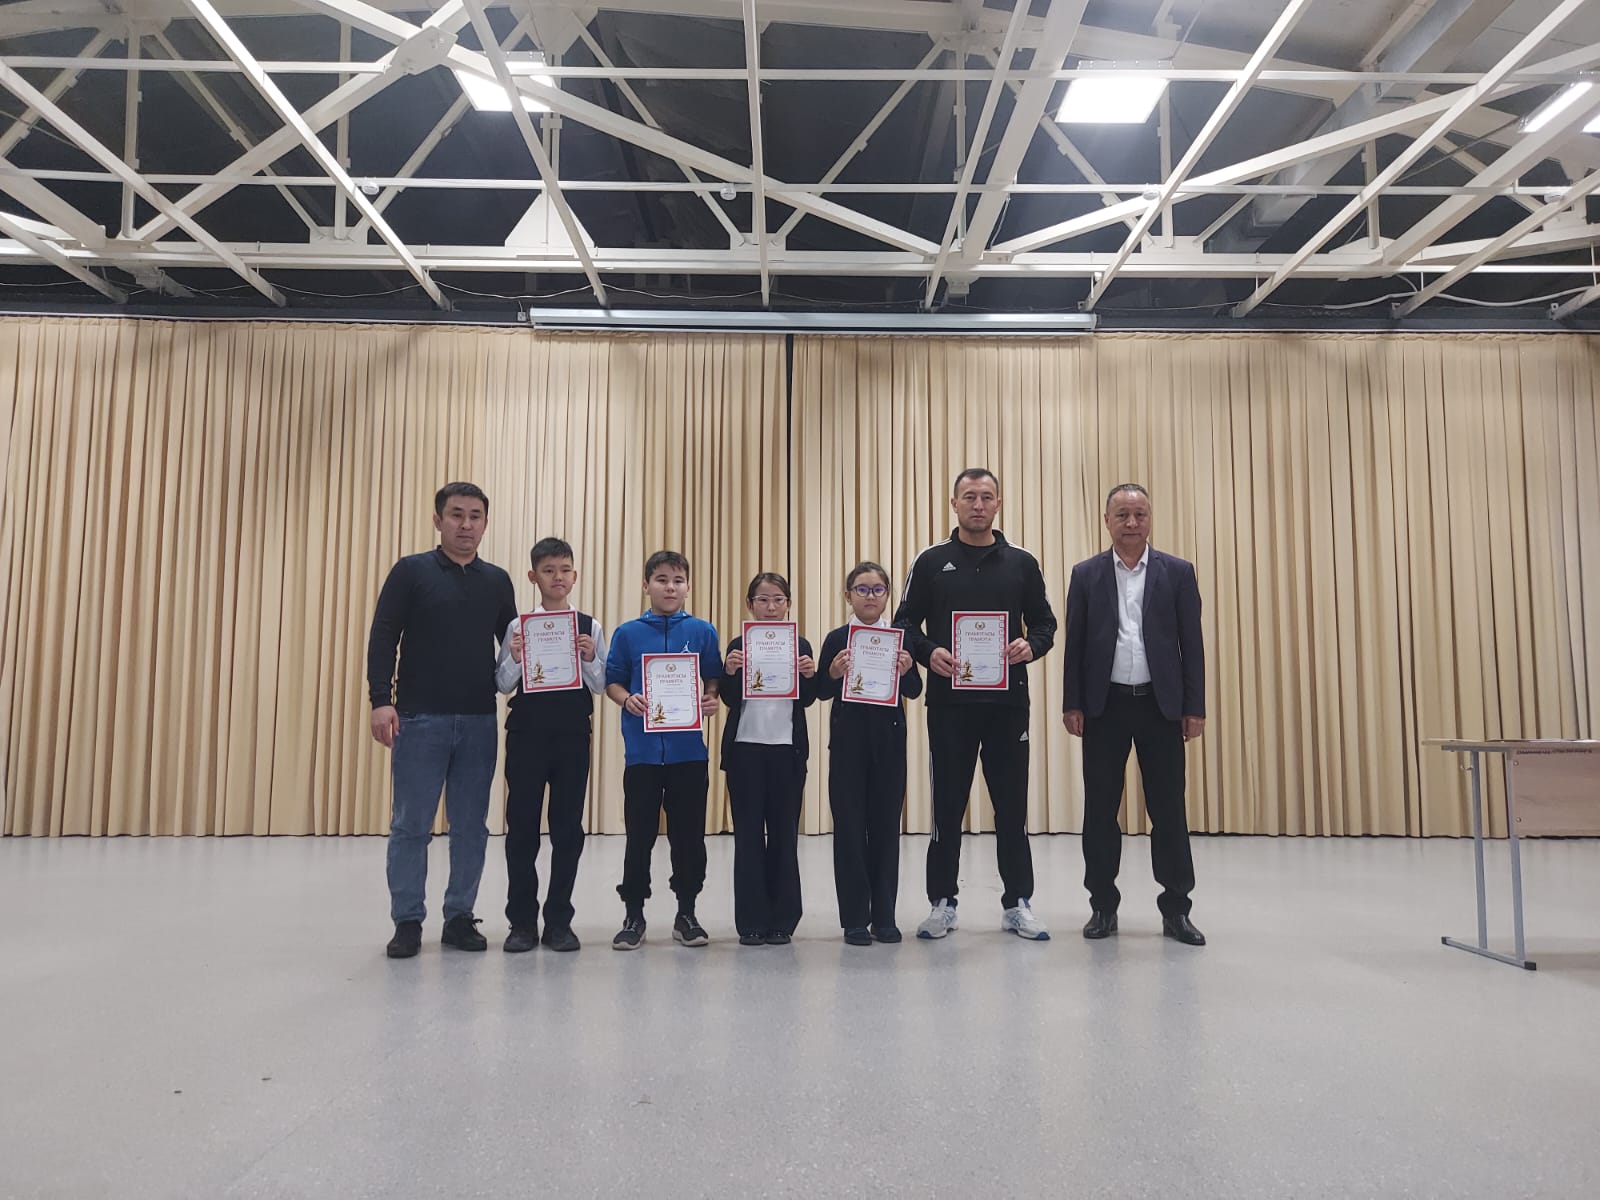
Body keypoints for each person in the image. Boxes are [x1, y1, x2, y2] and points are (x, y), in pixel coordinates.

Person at [893, 468, 1057, 942]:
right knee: (947, 807)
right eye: (969, 497)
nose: (978, 505)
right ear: (954, 504)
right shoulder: (931, 561)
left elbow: (1045, 624)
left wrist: (1031, 646)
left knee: (1011, 808)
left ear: (998, 503)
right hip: (950, 706)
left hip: (1008, 706)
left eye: (987, 497)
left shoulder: (1022, 562)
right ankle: (942, 903)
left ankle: (1018, 903)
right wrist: (928, 652)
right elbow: (905, 623)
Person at [367, 482, 517, 959]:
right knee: (410, 824)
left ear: (486, 523)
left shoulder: (498, 581)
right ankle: (407, 920)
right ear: (438, 520)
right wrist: (380, 700)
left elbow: (516, 647)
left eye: (475, 516)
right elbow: (383, 636)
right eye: (456, 515)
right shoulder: (410, 572)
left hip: (479, 720)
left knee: (471, 827)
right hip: (418, 719)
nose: (466, 525)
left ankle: (459, 917)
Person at [1062, 483, 1207, 946]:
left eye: (1139, 514)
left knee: (1169, 810)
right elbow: (1075, 645)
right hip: (1104, 707)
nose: (1131, 523)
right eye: (1122, 515)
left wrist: (1194, 707)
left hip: (1160, 708)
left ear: (1150, 519)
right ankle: (1102, 906)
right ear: (1106, 521)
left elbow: (1192, 645)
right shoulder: (1086, 574)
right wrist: (1072, 702)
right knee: (1101, 810)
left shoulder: (1178, 572)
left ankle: (1176, 909)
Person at [603, 550, 722, 950]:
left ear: (688, 587)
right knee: (639, 835)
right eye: (661, 579)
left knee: (689, 837)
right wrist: (627, 699)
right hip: (642, 754)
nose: (670, 587)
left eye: (678, 580)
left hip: (689, 753)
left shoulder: (703, 631)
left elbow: (712, 678)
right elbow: (613, 681)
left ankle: (686, 913)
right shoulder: (627, 633)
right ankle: (633, 914)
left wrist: (710, 697)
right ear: (646, 585)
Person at [493, 538, 608, 953]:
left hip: (572, 735)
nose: (557, 578)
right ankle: (522, 922)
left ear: (575, 576)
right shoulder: (518, 626)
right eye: (548, 570)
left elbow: (601, 685)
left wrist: (590, 658)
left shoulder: (589, 626)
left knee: (567, 829)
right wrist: (516, 656)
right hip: (527, 734)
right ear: (533, 576)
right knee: (522, 828)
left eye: (564, 570)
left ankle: (560, 921)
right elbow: (502, 683)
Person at [817, 561, 922, 946]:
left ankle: (885, 917)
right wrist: (833, 672)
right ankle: (855, 920)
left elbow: (914, 690)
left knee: (885, 830)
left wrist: (907, 669)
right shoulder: (837, 638)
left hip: (888, 746)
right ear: (848, 595)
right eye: (861, 589)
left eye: (878, 589)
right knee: (848, 831)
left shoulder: (900, 637)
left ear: (887, 595)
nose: (870, 596)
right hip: (847, 746)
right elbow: (819, 691)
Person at [718, 573, 820, 946]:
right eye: (762, 600)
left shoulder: (800, 644)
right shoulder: (738, 644)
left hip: (786, 752)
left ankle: (783, 920)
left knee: (783, 836)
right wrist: (730, 672)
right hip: (745, 750)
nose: (771, 607)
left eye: (778, 599)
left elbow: (808, 698)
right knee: (747, 837)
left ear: (788, 604)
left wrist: (809, 675)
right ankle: (751, 922)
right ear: (750, 605)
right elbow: (729, 699)